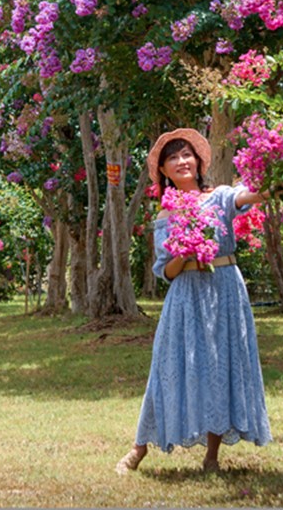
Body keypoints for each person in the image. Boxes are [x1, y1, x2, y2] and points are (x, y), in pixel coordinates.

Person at [116, 128, 272, 475]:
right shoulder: (165, 214)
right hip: (186, 295)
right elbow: (166, 272)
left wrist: (273, 181)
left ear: (199, 161)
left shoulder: (219, 197)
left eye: (186, 154)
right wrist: (186, 251)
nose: (181, 161)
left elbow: (247, 197)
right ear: (165, 172)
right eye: (173, 158)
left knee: (219, 366)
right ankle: (138, 449)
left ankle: (212, 458)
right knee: (168, 368)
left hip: (225, 289)